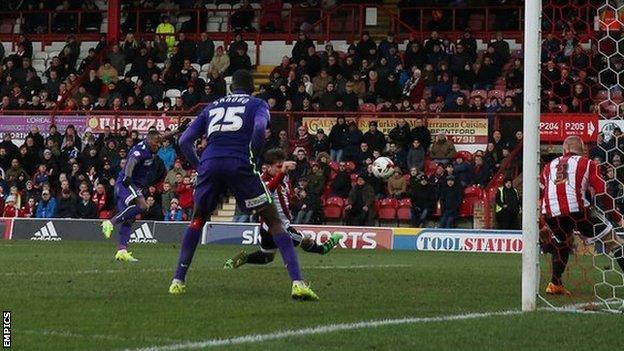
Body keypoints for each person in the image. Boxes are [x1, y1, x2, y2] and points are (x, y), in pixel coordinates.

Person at [169, 70, 318, 300]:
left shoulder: (212, 106)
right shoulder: (257, 104)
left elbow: (184, 140)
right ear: (252, 87)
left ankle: (178, 280)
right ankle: (297, 283)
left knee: (197, 220)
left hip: (210, 163)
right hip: (239, 163)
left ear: (231, 87)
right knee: (275, 222)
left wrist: (200, 166)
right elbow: (259, 129)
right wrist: (253, 155)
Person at [223, 149, 341, 269]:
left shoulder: (284, 178)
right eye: (279, 166)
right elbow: (269, 190)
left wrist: (294, 198)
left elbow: (286, 196)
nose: (282, 169)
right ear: (268, 167)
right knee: (304, 242)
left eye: (283, 166)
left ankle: (242, 259)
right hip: (274, 226)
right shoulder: (262, 179)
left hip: (273, 226)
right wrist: (282, 173)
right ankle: (326, 247)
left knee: (267, 257)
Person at [540, 136, 624, 295]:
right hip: (577, 209)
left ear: (565, 150)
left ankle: (555, 284)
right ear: (583, 150)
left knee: (564, 242)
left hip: (551, 212)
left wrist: (541, 223)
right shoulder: (588, 163)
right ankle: (555, 281)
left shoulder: (548, 166)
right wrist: (617, 216)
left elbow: (544, 194)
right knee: (615, 242)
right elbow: (602, 191)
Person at [101, 121, 189, 262]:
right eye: (157, 144)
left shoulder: (152, 143)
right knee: (143, 206)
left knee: (129, 218)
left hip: (133, 184)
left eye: (159, 144)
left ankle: (122, 251)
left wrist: (178, 130)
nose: (159, 146)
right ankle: (110, 222)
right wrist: (128, 177)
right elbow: (131, 162)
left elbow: (162, 137)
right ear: (150, 141)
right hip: (126, 183)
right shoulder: (140, 151)